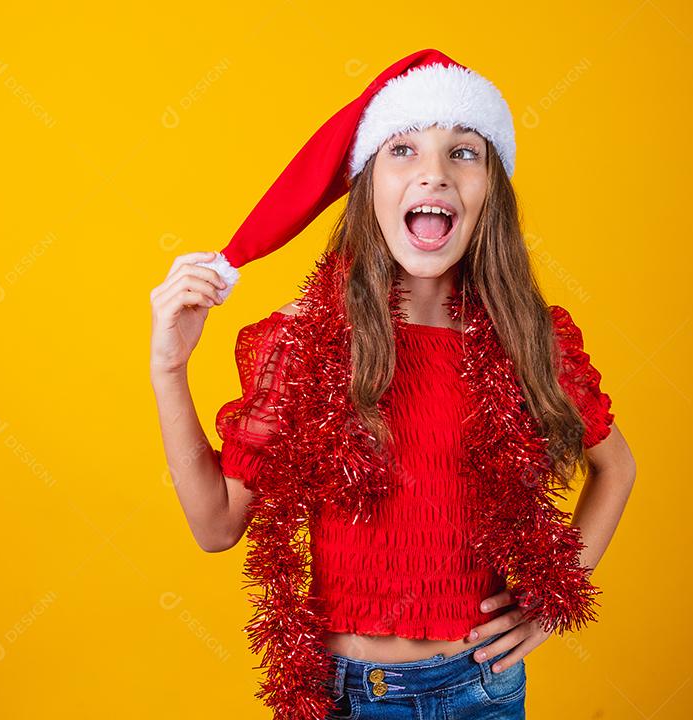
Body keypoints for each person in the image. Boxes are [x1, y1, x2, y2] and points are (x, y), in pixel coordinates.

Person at [151, 49, 637, 720]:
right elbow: (215, 527)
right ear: (367, 184)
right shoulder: (303, 343)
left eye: (463, 153)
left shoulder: (530, 338)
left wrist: (548, 607)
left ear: (490, 191)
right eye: (403, 149)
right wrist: (169, 370)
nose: (433, 172)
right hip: (345, 696)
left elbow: (616, 467)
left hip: (482, 691)